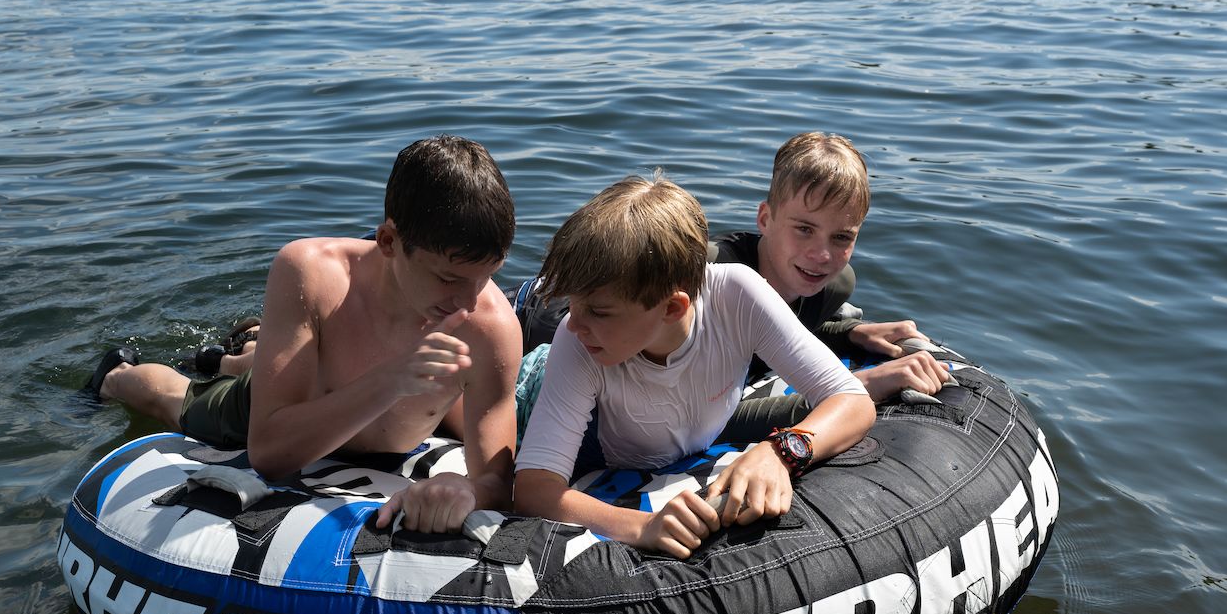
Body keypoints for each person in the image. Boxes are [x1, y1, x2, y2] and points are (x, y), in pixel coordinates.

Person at [84, 135, 523, 533]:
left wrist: (468, 490)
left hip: (357, 399)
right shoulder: (311, 273)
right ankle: (118, 373)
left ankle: (251, 347)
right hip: (290, 410)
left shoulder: (491, 326)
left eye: (486, 278)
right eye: (449, 279)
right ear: (388, 241)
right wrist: (390, 381)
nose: (469, 302)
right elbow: (270, 457)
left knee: (286, 357)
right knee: (170, 398)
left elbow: (496, 483)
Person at [513, 174, 876, 560]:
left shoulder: (736, 295)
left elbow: (853, 400)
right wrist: (640, 526)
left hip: (671, 429)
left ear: (673, 308)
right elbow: (535, 489)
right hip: (534, 389)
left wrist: (780, 452)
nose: (577, 320)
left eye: (598, 311)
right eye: (578, 304)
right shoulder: (576, 337)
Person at [712, 131, 952, 401]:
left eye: (841, 237)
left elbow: (778, 330)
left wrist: (851, 334)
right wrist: (853, 386)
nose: (822, 255)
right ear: (766, 219)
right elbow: (689, 420)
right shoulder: (710, 281)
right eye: (804, 229)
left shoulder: (831, 288)